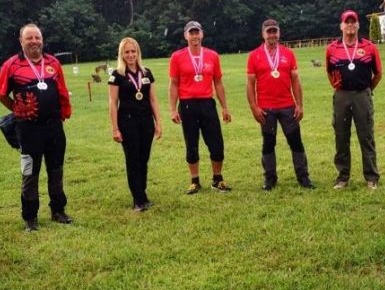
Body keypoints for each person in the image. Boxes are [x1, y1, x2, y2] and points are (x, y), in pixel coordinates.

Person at [0, 23, 73, 232]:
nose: (34, 42)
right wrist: (18, 109)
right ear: (21, 42)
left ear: (42, 40)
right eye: (29, 38)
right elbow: (1, 94)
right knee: (30, 172)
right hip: (28, 129)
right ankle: (30, 217)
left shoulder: (53, 63)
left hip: (54, 126)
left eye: (37, 38)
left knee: (56, 169)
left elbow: (62, 91)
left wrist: (65, 112)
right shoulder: (11, 65)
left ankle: (58, 210)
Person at [246, 19, 315, 191]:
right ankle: (270, 179)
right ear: (263, 34)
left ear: (279, 33)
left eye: (274, 31)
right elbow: (250, 84)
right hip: (266, 108)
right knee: (268, 143)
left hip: (287, 106)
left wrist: (299, 104)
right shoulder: (254, 55)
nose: (272, 35)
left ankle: (303, 177)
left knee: (296, 142)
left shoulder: (288, 54)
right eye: (269, 32)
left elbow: (296, 81)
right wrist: (254, 107)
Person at [168, 21, 232, 194]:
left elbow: (218, 82)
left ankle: (217, 179)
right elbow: (173, 84)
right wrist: (173, 109)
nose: (194, 36)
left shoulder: (212, 55)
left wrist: (224, 107)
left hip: (207, 104)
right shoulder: (177, 57)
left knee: (216, 144)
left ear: (202, 34)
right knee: (191, 144)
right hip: (187, 105)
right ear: (186, 35)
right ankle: (195, 181)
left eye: (197, 33)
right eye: (191, 33)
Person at [325, 9, 382, 190]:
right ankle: (343, 177)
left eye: (353, 22)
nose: (350, 25)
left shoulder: (369, 47)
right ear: (341, 26)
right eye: (346, 22)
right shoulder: (332, 49)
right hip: (341, 96)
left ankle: (371, 177)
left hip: (362, 95)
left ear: (358, 25)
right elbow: (329, 72)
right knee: (341, 137)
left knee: (366, 136)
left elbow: (378, 73)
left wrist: (367, 90)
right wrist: (337, 88)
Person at [108, 37, 163, 211]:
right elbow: (112, 102)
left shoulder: (146, 73)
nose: (130, 55)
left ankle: (142, 193)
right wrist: (115, 128)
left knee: (143, 158)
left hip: (146, 121)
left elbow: (153, 99)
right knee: (132, 160)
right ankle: (138, 199)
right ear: (122, 54)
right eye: (127, 52)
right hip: (127, 122)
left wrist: (158, 123)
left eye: (133, 51)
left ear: (138, 52)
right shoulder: (117, 75)